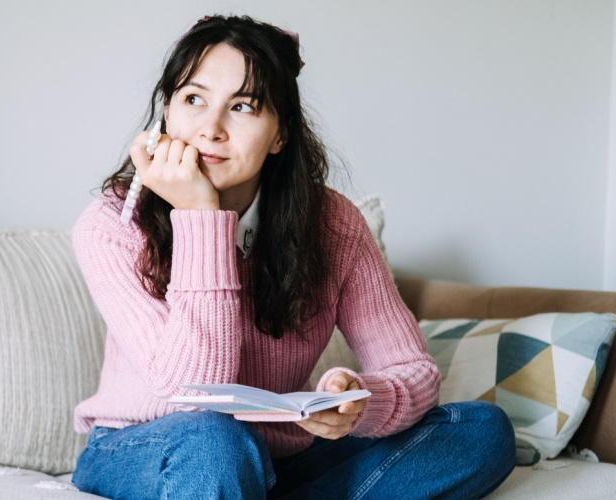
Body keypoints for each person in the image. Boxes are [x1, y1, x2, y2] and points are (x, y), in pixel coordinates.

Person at [70, 14, 515, 499]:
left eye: (243, 106)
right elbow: (194, 394)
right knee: (215, 440)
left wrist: (358, 401)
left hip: (284, 456)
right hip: (150, 446)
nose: (210, 128)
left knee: (478, 429)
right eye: (193, 100)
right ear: (165, 118)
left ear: (280, 134)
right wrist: (200, 215)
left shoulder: (333, 224)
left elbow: (413, 371)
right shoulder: (112, 226)